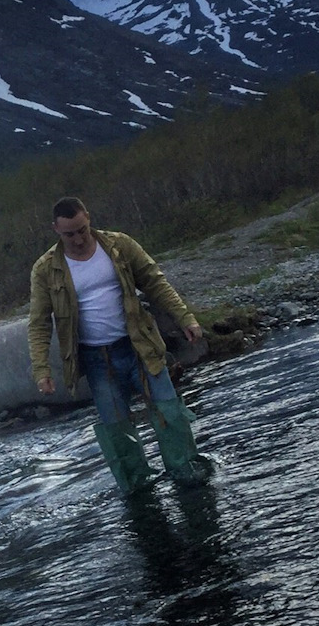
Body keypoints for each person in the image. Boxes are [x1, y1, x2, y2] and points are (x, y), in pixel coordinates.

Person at [28, 196, 210, 493]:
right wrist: (41, 370)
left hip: (140, 346)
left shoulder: (119, 246)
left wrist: (185, 318)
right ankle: (138, 491)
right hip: (97, 360)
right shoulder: (46, 269)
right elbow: (38, 322)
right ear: (55, 230)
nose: (77, 239)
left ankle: (188, 477)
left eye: (82, 230)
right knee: (117, 430)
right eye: (69, 234)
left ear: (88, 217)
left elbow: (155, 281)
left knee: (170, 413)